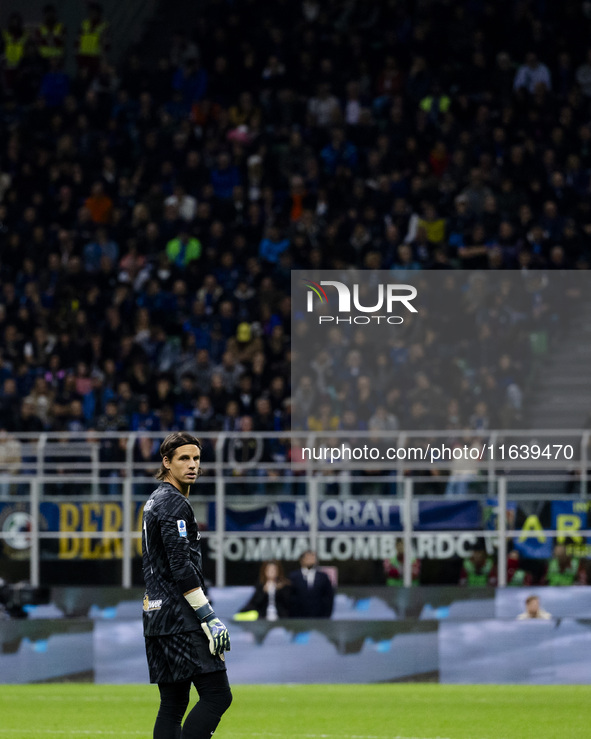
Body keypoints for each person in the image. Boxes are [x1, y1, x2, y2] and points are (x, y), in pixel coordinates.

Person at [142, 431, 232, 739]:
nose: (192, 465)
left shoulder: (154, 499)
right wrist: (208, 617)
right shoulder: (174, 503)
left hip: (154, 612)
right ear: (167, 462)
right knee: (218, 695)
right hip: (180, 616)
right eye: (184, 458)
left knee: (173, 703)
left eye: (196, 458)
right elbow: (181, 566)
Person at [288, 550, 334, 618]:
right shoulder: (293, 577)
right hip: (298, 618)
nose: (311, 560)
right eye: (308, 557)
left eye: (313, 558)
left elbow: (328, 597)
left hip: (319, 618)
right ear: (302, 560)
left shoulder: (323, 577)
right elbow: (290, 598)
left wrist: (326, 616)